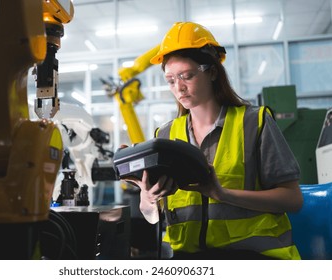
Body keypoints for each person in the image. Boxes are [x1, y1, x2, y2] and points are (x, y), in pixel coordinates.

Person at [123, 22, 303, 260]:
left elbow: (293, 199)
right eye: (170, 80)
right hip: (188, 261)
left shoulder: (254, 122)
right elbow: (153, 215)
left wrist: (222, 194)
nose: (179, 88)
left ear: (212, 72)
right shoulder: (164, 136)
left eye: (187, 76)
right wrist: (148, 197)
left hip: (255, 257)